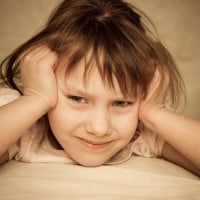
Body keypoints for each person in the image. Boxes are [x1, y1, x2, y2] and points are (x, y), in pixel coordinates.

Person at [0, 0, 199, 176]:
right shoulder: (26, 124)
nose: (99, 128)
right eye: (77, 99)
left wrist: (156, 112)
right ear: (46, 80)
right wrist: (35, 98)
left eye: (121, 103)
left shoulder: (140, 129)